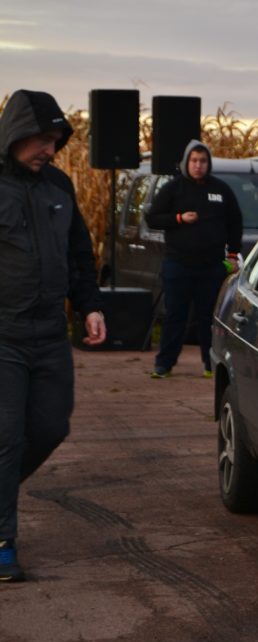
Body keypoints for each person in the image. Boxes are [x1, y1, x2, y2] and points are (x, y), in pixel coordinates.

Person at [0, 89, 107, 582]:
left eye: (55, 140)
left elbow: (80, 255)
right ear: (15, 133)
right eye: (41, 139)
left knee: (50, 427)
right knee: (6, 436)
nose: (49, 148)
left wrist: (89, 306)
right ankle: (3, 543)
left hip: (49, 333)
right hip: (3, 334)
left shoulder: (59, 187)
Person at [146, 140, 242, 379]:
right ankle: (164, 364)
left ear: (208, 164)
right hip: (178, 264)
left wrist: (232, 253)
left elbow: (235, 222)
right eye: (194, 161)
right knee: (175, 315)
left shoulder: (221, 190)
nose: (198, 165)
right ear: (186, 163)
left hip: (211, 267)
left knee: (207, 316)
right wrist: (179, 218)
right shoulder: (173, 188)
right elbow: (153, 218)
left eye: (203, 161)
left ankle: (210, 363)